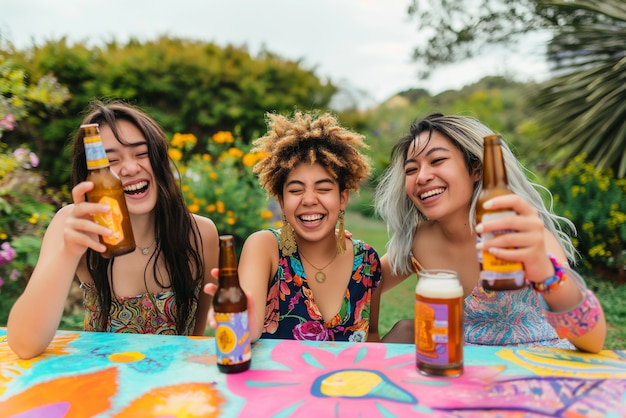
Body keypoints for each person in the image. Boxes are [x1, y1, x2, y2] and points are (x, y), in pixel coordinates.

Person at [370, 113, 606, 353]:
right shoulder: (419, 242)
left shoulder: (520, 234)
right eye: (411, 169)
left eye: (437, 160)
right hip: (465, 372)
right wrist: (371, 332)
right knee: (404, 330)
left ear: (476, 169)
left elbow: (593, 341)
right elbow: (368, 281)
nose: (422, 176)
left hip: (537, 366)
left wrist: (544, 271)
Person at [7, 100, 219, 359]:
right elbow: (25, 345)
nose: (130, 168)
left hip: (175, 391)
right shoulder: (72, 225)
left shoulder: (201, 233)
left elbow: (197, 337)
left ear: (160, 160)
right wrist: (68, 252)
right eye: (109, 161)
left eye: (141, 154)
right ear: (90, 174)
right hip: (102, 387)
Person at [205, 110, 381, 342]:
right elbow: (249, 329)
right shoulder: (264, 247)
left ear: (342, 199)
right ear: (281, 201)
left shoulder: (368, 261)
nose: (308, 199)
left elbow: (373, 335)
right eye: (296, 190)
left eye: (323, 188)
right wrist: (241, 322)